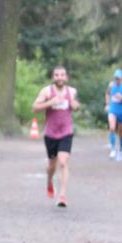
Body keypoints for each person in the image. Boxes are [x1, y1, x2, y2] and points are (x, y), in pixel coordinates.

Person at [32, 65, 81, 208]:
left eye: (62, 75)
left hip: (66, 132)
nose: (60, 77)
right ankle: (49, 180)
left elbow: (77, 106)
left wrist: (75, 105)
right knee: (51, 166)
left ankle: (62, 195)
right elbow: (34, 108)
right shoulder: (47, 91)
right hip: (50, 134)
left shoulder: (72, 91)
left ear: (66, 77)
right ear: (53, 77)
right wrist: (50, 102)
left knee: (63, 162)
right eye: (57, 75)